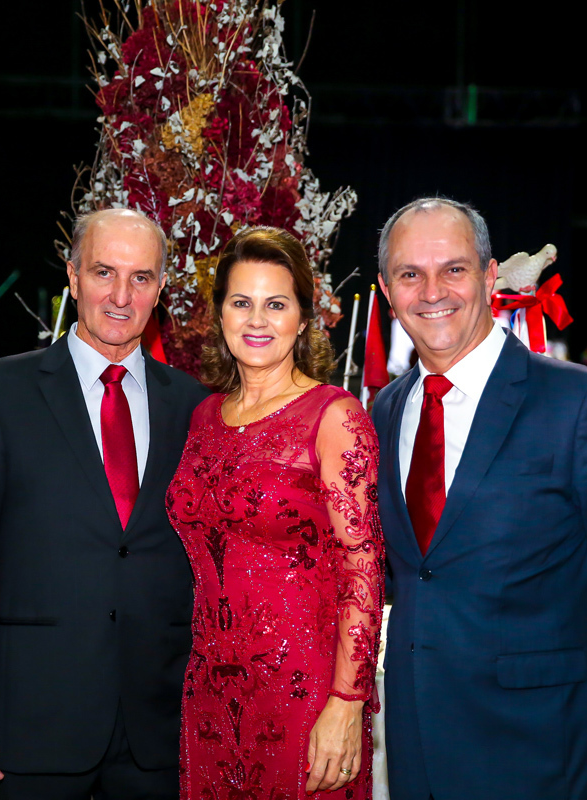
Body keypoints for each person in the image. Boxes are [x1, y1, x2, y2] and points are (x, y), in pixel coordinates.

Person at [370, 198, 587, 800]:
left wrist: (560, 664)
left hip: (547, 741)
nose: (432, 292)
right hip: (418, 740)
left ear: (489, 278)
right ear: (386, 290)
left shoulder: (581, 401)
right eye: (410, 274)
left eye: (453, 269)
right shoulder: (385, 410)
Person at [0, 208, 208, 800]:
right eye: (104, 272)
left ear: (161, 287)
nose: (121, 296)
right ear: (72, 276)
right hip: (31, 726)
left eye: (140, 278)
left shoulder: (194, 406)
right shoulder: (0, 392)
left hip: (158, 731)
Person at [166, 227, 384, 799]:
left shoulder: (334, 416)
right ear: (219, 314)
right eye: (241, 302)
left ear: (303, 318)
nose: (257, 319)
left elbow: (363, 568)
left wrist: (347, 702)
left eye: (277, 304)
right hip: (209, 692)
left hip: (304, 692)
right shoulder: (203, 417)